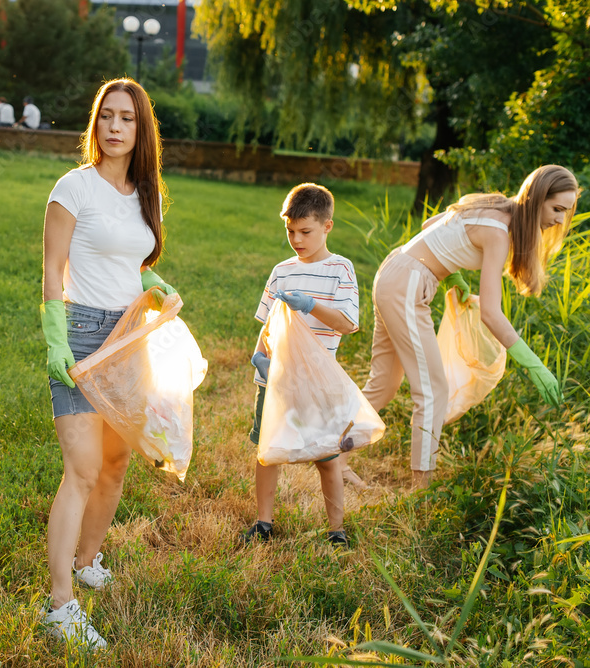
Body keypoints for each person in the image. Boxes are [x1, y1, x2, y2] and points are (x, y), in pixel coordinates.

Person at [39, 78, 174, 650]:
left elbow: (135, 261)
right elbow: (51, 269)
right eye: (107, 117)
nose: (115, 128)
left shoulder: (149, 195)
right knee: (84, 469)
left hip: (130, 334)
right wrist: (54, 339)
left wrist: (155, 284)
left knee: (117, 464)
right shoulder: (73, 188)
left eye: (127, 119)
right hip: (80, 332)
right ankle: (60, 604)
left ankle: (89, 559)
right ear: (95, 124)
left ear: (142, 130)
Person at [346, 164, 578, 490]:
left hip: (395, 271)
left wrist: (451, 275)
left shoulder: (494, 204)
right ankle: (421, 490)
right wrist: (534, 364)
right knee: (433, 391)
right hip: (409, 282)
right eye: (556, 209)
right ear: (537, 197)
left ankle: (333, 456)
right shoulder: (499, 233)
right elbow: (491, 314)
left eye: (565, 213)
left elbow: (430, 225)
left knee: (384, 383)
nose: (558, 220)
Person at [242, 183, 360, 547]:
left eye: (305, 231)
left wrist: (309, 304)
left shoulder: (340, 269)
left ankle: (335, 529)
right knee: (268, 451)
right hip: (276, 380)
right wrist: (260, 357)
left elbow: (347, 323)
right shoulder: (282, 271)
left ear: (327, 226)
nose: (296, 239)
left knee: (326, 457)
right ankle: (264, 523)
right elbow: (268, 324)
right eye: (290, 231)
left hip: (317, 384)